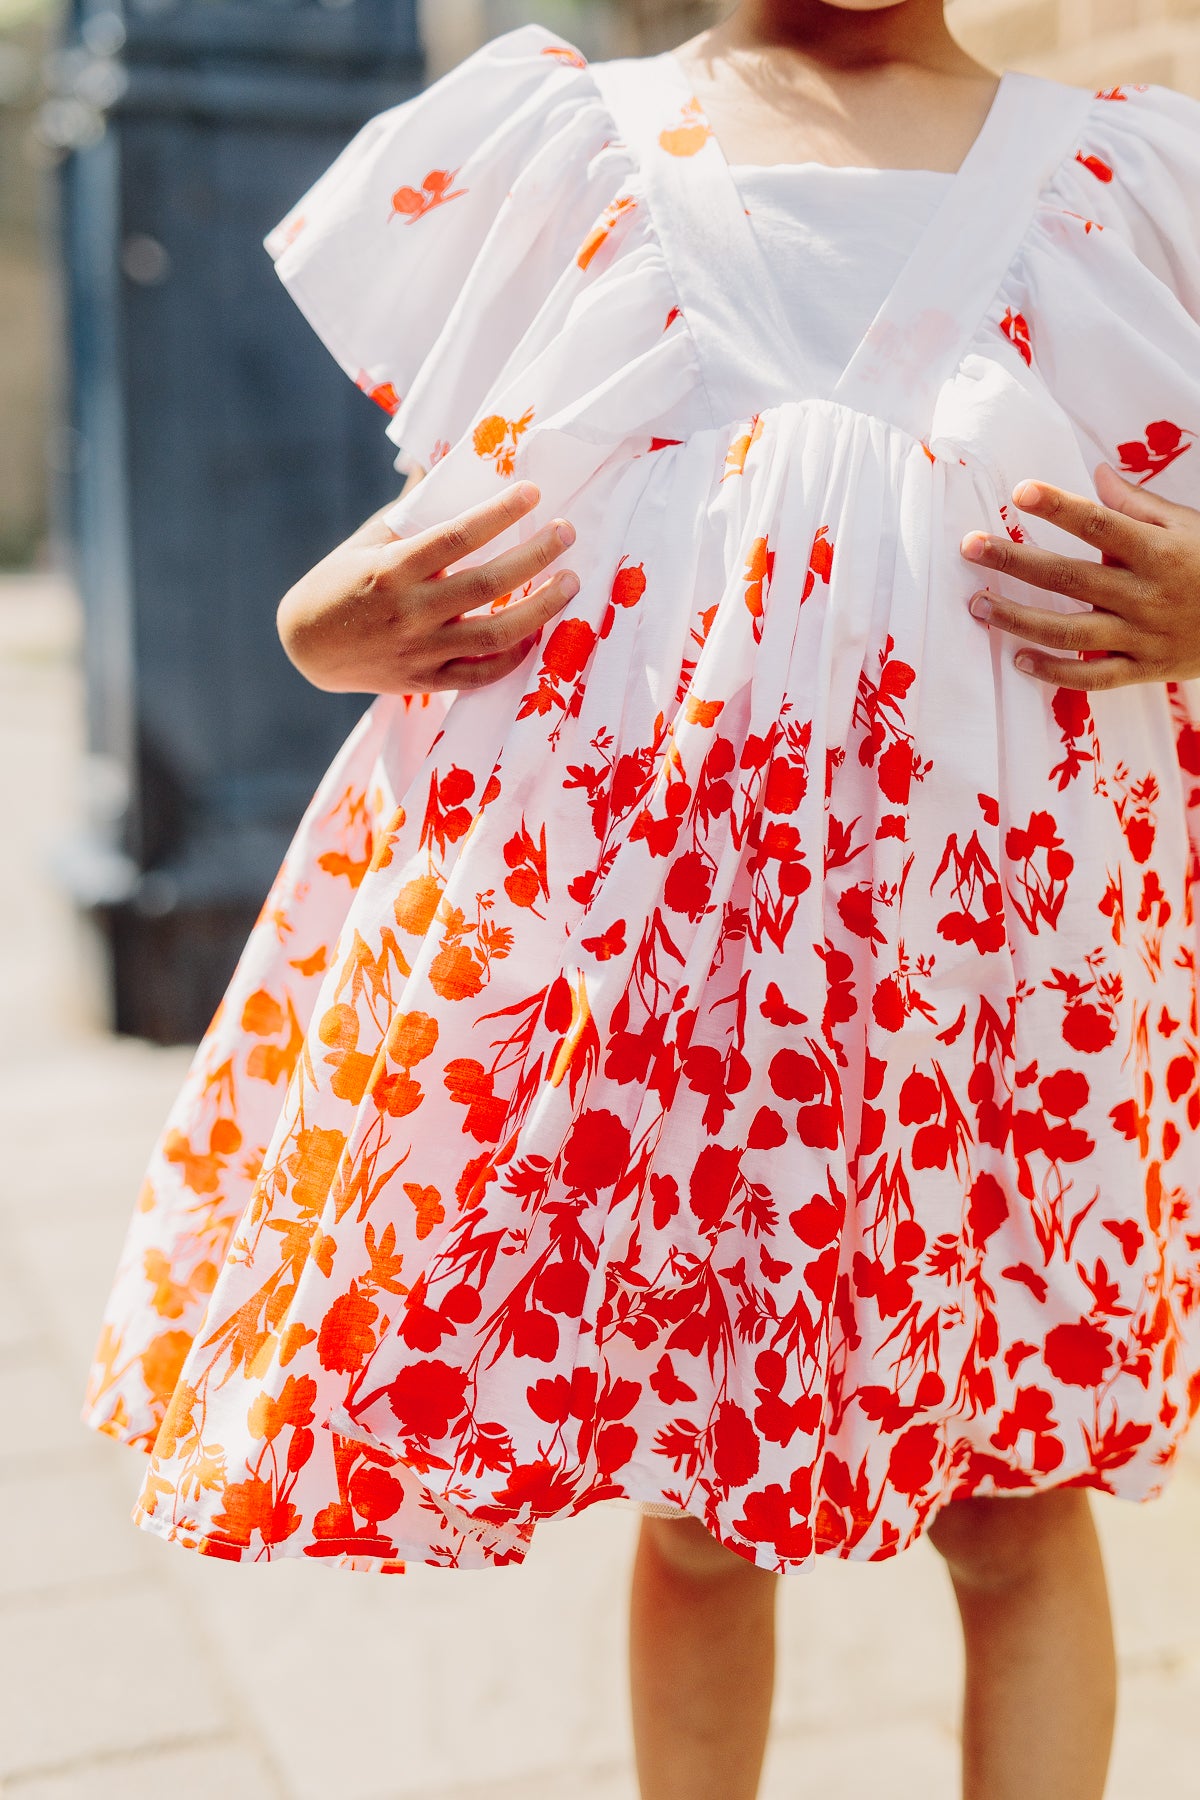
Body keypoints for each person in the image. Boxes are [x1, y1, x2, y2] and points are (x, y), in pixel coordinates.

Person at [83, 3, 1200, 1796]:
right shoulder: (573, 154)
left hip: (998, 987)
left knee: (1014, 1500)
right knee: (698, 1508)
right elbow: (407, 565)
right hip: (671, 969)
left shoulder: (1128, 183)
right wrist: (316, 633)